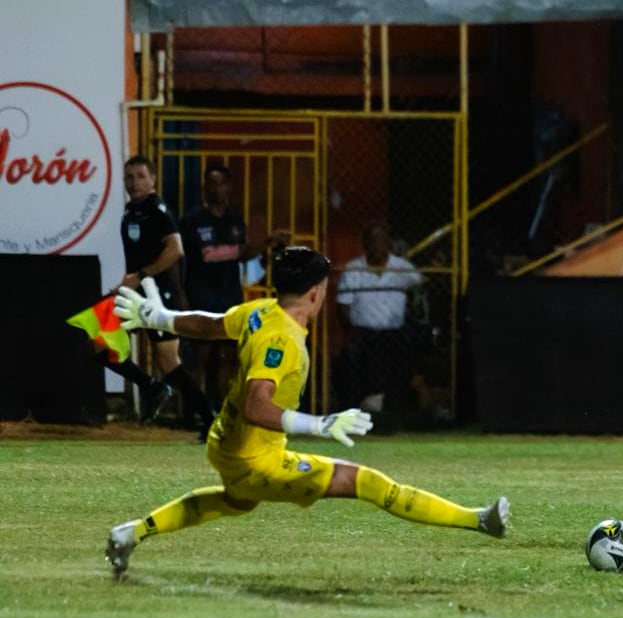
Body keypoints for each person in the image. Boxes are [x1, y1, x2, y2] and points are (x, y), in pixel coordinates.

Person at [104, 246, 508, 579]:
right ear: (316, 292)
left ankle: (133, 531)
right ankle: (478, 520)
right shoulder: (284, 341)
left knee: (236, 501)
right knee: (368, 482)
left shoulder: (260, 311)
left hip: (227, 443)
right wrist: (320, 424)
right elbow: (256, 404)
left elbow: (211, 325)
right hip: (257, 459)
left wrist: (158, 318)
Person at [180, 163, 289, 418]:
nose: (216, 188)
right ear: (204, 188)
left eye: (220, 183)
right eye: (211, 183)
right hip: (202, 292)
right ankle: (192, 411)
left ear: (228, 186)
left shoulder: (235, 218)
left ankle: (221, 409)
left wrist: (269, 243)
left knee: (228, 353)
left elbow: (241, 254)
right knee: (201, 353)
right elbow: (207, 255)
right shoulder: (193, 220)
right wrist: (257, 244)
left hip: (229, 292)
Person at [116, 155, 215, 434]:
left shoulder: (157, 210)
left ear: (153, 179)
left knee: (169, 362)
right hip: (136, 295)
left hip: (160, 296)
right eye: (129, 177)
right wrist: (128, 283)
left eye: (140, 176)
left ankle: (210, 420)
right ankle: (153, 387)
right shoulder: (131, 211)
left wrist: (142, 276)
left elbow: (176, 250)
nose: (134, 183)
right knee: (99, 341)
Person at [333, 222, 424, 412]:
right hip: (363, 331)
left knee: (409, 348)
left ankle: (395, 407)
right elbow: (343, 307)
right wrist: (352, 332)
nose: (377, 245)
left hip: (395, 331)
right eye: (372, 240)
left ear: (389, 243)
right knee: (350, 353)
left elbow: (422, 293)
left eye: (382, 240)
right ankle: (351, 408)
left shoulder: (403, 268)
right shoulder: (353, 269)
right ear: (365, 243)